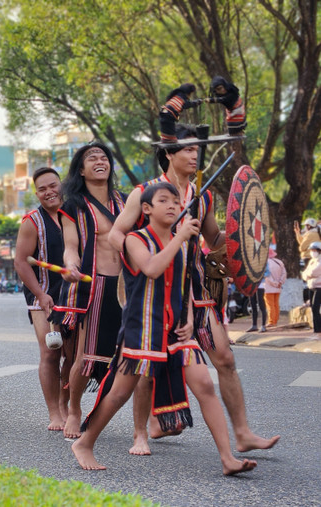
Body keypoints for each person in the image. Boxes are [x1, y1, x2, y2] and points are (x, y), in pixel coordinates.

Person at [108, 123, 279, 453]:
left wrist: (242, 246)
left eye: (197, 149)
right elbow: (117, 234)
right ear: (169, 153)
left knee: (225, 359)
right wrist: (143, 258)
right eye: (187, 149)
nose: (194, 154)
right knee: (146, 366)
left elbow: (213, 238)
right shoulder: (144, 193)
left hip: (194, 291)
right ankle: (140, 432)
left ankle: (242, 433)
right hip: (155, 294)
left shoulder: (203, 197)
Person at [71, 182, 257, 476]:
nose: (172, 205)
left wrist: (191, 319)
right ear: (146, 209)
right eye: (163, 201)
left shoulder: (183, 244)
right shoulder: (134, 240)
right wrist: (180, 237)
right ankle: (84, 443)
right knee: (119, 394)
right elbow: (152, 268)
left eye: (175, 200)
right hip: (141, 329)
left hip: (176, 330)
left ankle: (227, 458)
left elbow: (186, 287)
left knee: (206, 386)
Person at [53, 142, 127, 439]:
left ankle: (144, 427)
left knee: (139, 354)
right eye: (91, 158)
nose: (99, 160)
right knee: (85, 357)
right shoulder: (73, 206)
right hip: (95, 284)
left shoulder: (125, 202)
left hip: (127, 287)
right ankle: (74, 411)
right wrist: (71, 266)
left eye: (103, 157)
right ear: (81, 171)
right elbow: (71, 249)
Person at [13, 167, 72, 431]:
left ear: (63, 185)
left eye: (53, 186)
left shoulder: (77, 214)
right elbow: (21, 262)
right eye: (42, 189)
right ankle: (55, 413)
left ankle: (67, 406)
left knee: (73, 356)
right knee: (50, 352)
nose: (49, 192)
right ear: (36, 193)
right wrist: (40, 293)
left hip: (74, 295)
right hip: (43, 296)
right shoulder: (31, 221)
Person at [301, 242, 321, 338]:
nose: (313, 252)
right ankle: (316, 329)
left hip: (319, 287)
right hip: (311, 286)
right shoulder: (312, 261)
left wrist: (308, 274)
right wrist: (308, 274)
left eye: (314, 250)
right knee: (313, 308)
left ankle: (318, 330)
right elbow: (304, 273)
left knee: (316, 308)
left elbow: (314, 272)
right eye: (312, 250)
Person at [263, 246, 286, 327]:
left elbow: (267, 276)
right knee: (276, 304)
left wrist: (274, 283)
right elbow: (284, 274)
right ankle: (275, 320)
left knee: (270, 305)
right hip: (278, 287)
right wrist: (280, 282)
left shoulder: (265, 263)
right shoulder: (279, 262)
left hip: (268, 287)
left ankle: (271, 321)